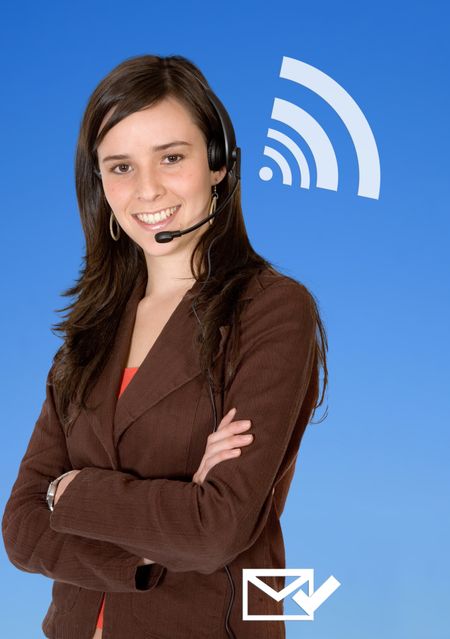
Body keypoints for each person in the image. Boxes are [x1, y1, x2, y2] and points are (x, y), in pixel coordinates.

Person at [1, 54, 328, 639]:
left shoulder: (272, 309)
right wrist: (152, 543)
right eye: (120, 166)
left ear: (219, 165)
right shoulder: (92, 328)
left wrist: (70, 492)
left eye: (172, 157)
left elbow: (215, 529)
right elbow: (21, 530)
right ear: (98, 183)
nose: (147, 189)